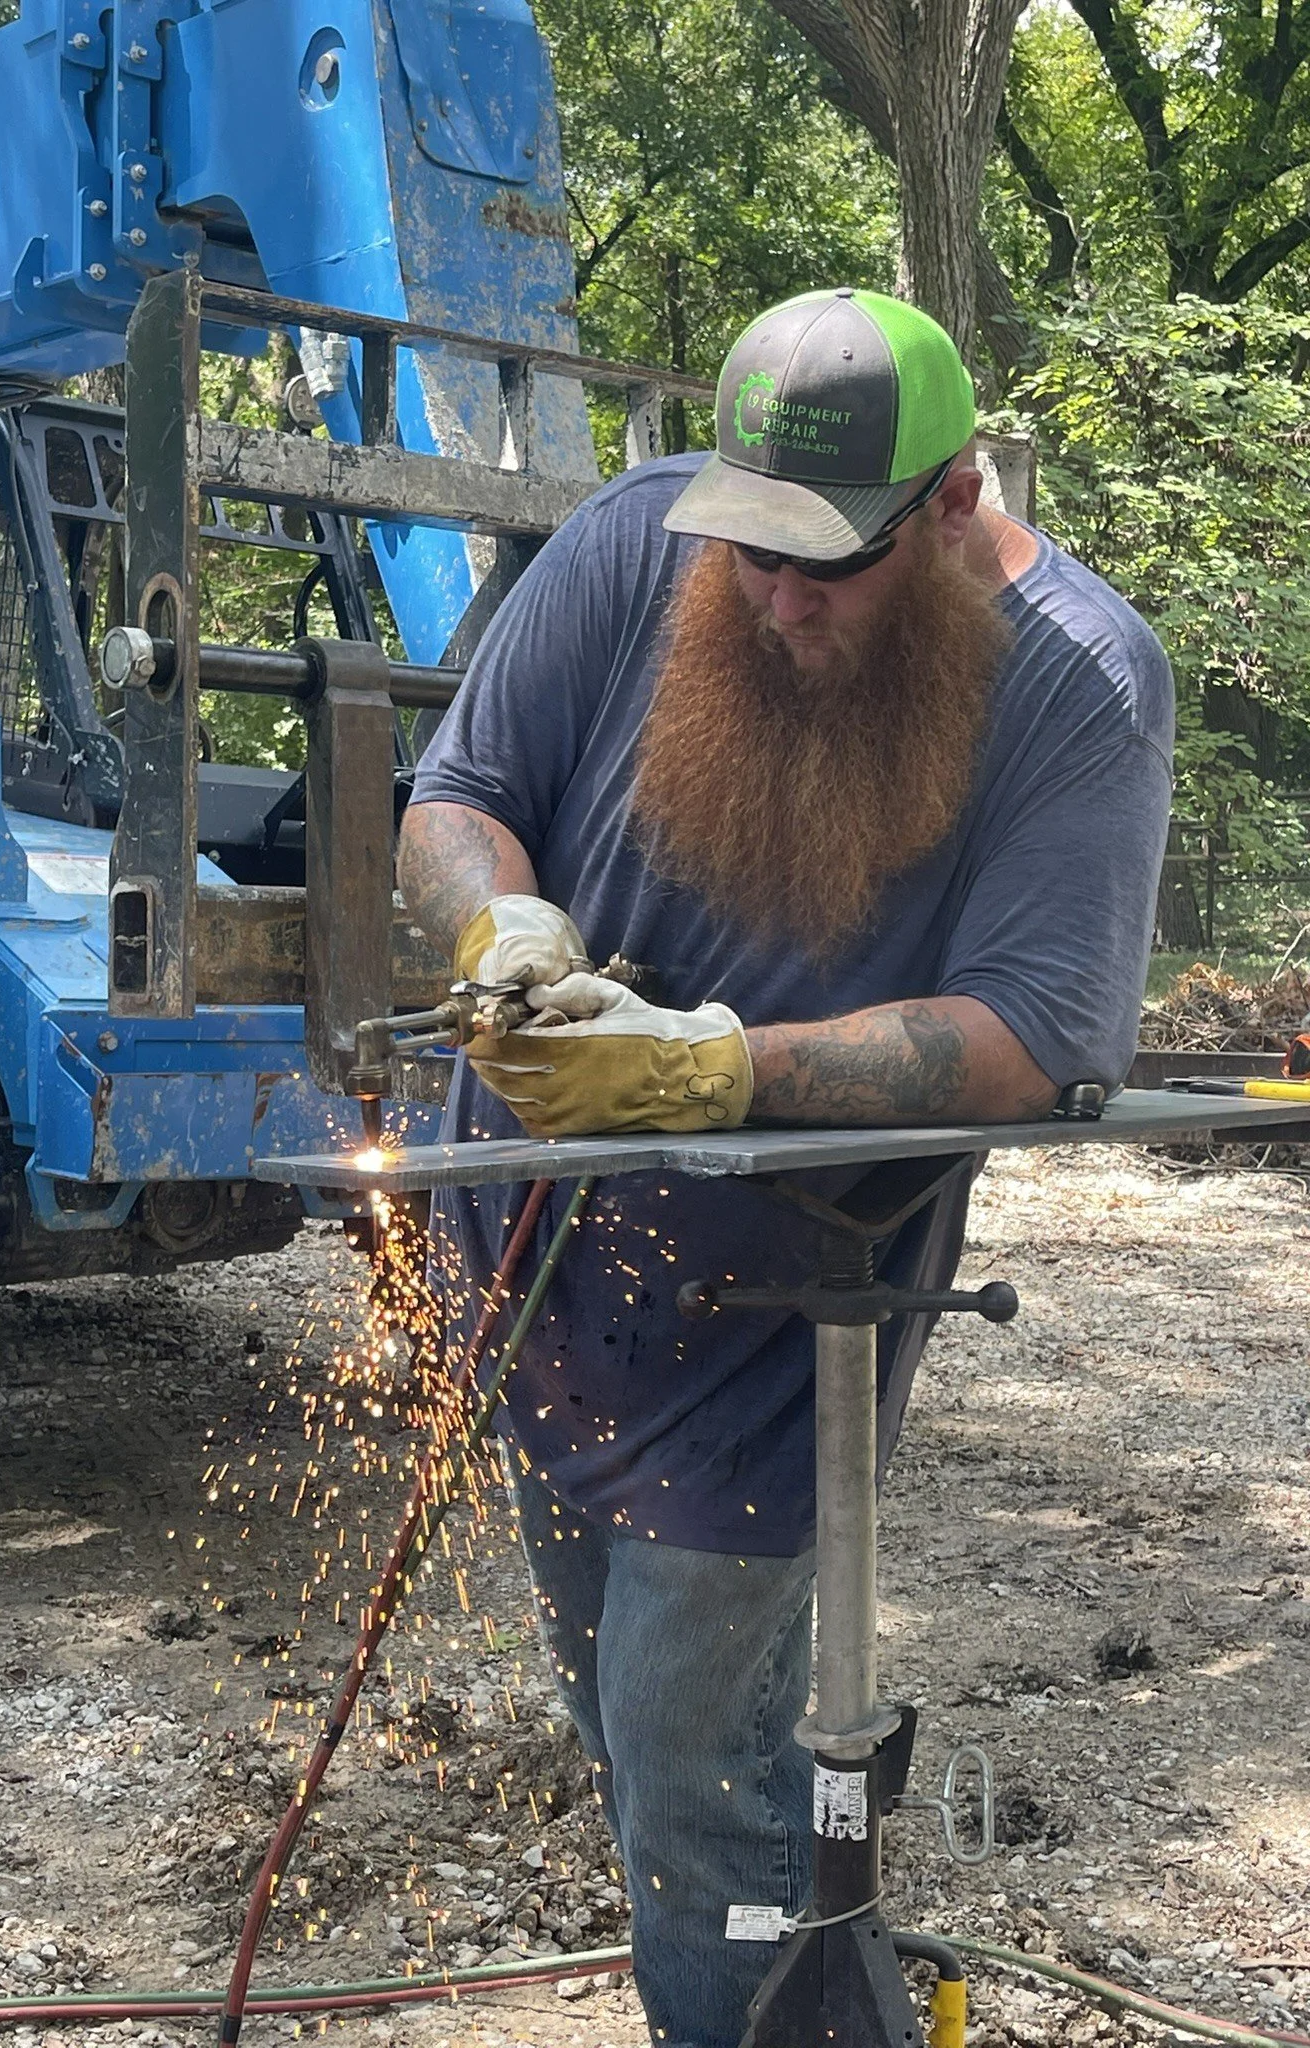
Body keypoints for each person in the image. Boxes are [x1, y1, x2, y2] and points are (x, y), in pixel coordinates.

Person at [395, 287, 1173, 2048]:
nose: (775, 596)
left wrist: (718, 1071)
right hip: (538, 1256)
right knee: (631, 1721)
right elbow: (458, 790)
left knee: (691, 1747)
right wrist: (502, 922)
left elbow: (1035, 1030)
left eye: (824, 563)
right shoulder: (628, 548)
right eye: (747, 552)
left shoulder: (1076, 685)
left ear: (957, 504)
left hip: (780, 1290)